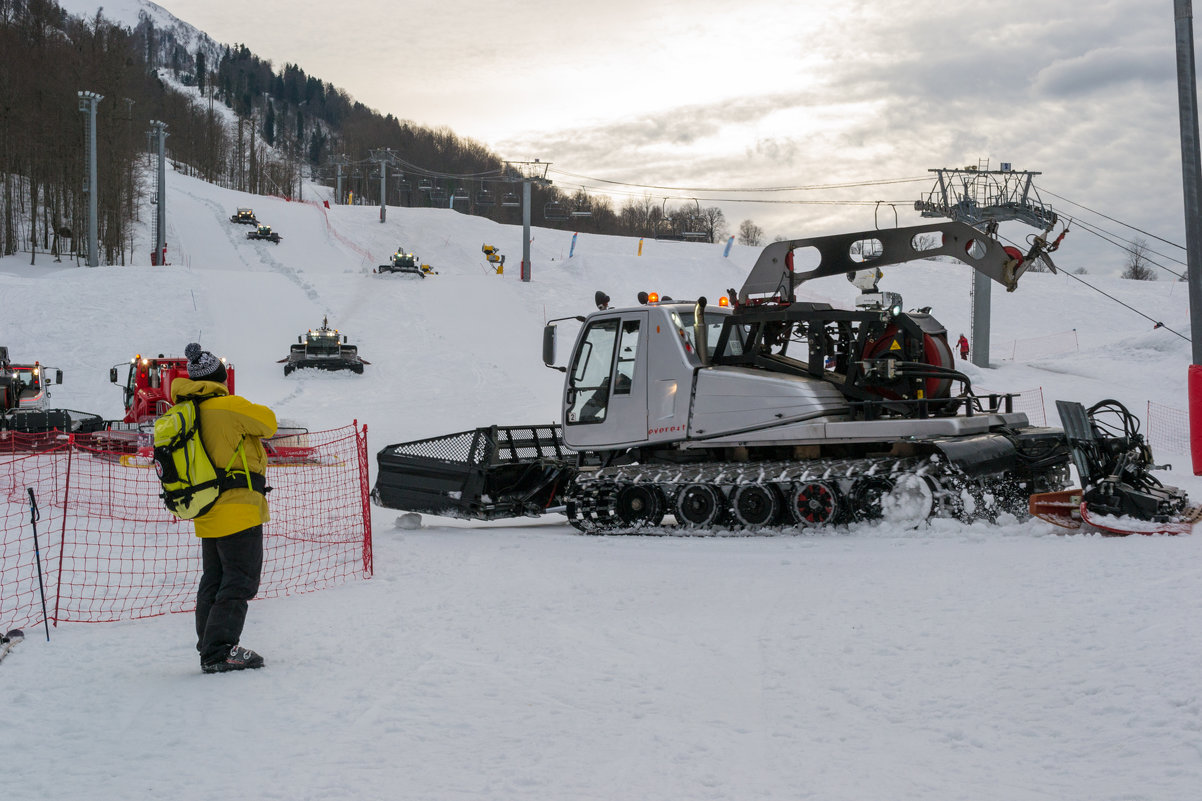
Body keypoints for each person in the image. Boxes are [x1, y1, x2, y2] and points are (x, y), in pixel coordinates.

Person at [173, 342, 278, 674]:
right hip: (238, 507)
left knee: (214, 578)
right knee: (240, 580)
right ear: (220, 379)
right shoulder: (228, 406)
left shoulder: (183, 411)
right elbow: (269, 423)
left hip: (205, 507)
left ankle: (209, 644)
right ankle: (219, 652)